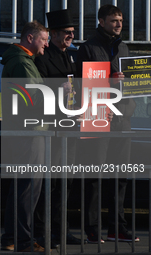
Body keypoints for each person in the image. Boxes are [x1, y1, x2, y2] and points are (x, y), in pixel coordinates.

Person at [76, 4, 139, 243]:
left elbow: (132, 85)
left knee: (119, 176)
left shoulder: (124, 47)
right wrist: (110, 85)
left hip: (122, 120)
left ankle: (117, 227)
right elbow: (83, 86)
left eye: (121, 20)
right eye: (114, 20)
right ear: (101, 22)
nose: (119, 24)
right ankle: (92, 228)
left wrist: (130, 99)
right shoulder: (88, 48)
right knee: (94, 176)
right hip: (98, 119)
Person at [34, 9, 82, 246]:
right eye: (67, 32)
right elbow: (35, 93)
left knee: (66, 181)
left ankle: (62, 230)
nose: (71, 36)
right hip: (52, 128)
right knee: (49, 183)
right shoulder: (42, 57)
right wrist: (56, 90)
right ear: (53, 34)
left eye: (73, 32)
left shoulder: (69, 56)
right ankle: (44, 232)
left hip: (70, 127)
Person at [0, 20, 49, 252]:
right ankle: (22, 240)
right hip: (29, 132)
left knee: (22, 187)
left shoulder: (23, 61)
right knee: (28, 188)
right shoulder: (22, 63)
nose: (46, 45)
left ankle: (12, 238)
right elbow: (32, 101)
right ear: (30, 38)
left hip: (25, 131)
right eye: (44, 39)